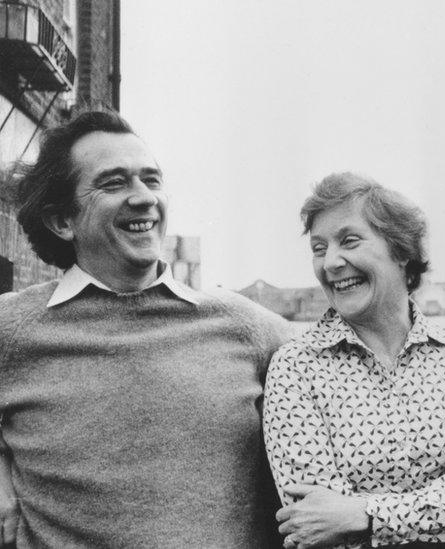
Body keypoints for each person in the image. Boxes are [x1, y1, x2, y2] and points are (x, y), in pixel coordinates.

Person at [0, 111, 292, 547]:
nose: (143, 198)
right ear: (63, 221)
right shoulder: (12, 329)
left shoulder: (247, 328)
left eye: (151, 180)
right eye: (113, 183)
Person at [263, 172, 445, 549]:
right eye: (318, 247)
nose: (331, 263)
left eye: (349, 241)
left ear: (402, 251)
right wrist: (432, 514)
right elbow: (314, 521)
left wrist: (364, 517)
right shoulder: (295, 368)